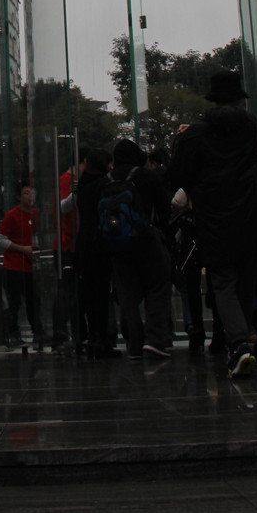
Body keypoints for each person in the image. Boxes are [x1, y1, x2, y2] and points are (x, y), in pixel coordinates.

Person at [167, 70, 257, 378]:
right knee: (246, 278)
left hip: (215, 218)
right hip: (250, 214)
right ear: (238, 99)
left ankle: (238, 345)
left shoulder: (197, 133)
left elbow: (179, 175)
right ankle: (245, 333)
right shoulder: (250, 127)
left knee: (222, 281)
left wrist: (183, 140)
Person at [106, 139, 174, 360]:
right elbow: (164, 206)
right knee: (157, 287)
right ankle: (154, 340)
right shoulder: (144, 176)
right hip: (147, 239)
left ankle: (133, 344)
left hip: (118, 245)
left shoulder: (107, 180)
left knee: (127, 295)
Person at [74, 147, 117, 358]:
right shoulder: (104, 184)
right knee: (102, 293)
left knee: (91, 294)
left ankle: (93, 337)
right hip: (101, 241)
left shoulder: (83, 184)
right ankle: (102, 338)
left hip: (84, 242)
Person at [0, 181, 44, 350]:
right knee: (14, 302)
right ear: (18, 197)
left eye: (32, 192)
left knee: (33, 300)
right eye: (26, 193)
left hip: (30, 265)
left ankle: (37, 332)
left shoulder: (36, 215)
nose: (30, 196)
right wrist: (22, 249)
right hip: (14, 265)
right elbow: (0, 239)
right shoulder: (12, 216)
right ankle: (13, 334)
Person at [52, 147, 88, 352]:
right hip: (67, 244)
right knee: (66, 291)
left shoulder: (71, 181)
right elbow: (64, 207)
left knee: (73, 292)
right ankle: (61, 333)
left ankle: (77, 333)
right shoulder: (68, 180)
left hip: (72, 243)